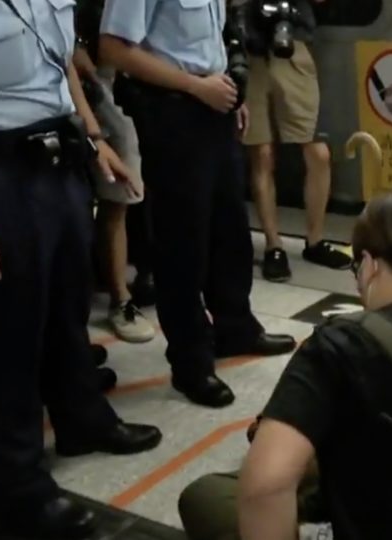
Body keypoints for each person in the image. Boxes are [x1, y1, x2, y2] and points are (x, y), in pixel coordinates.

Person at [0, 2, 163, 538]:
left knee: (66, 308)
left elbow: (60, 63)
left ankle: (82, 420)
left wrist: (94, 141)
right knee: (7, 336)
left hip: (57, 157)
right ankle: (19, 486)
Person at [177, 190, 392, 539]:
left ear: (369, 265)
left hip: (385, 515)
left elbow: (266, 488)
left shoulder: (341, 343)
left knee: (207, 496)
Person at [99, 0, 296, 409]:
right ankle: (191, 362)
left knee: (229, 229)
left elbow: (210, 37)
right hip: (173, 110)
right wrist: (195, 86)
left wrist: (228, 92)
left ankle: (235, 326)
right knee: (182, 243)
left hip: (214, 104)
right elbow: (114, 48)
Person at [237, 0, 353, 282]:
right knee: (261, 153)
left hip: (292, 43)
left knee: (318, 152)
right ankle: (274, 245)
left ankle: (315, 240)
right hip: (248, 48)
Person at [74, 0, 155, 344]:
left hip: (113, 85)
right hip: (72, 85)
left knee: (120, 198)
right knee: (73, 206)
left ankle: (121, 296)